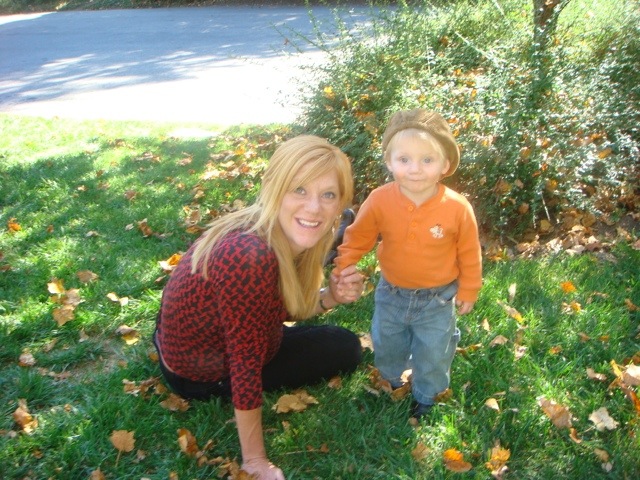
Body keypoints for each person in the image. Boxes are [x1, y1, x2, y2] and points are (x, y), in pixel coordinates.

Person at [153, 135, 365, 480]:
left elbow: (272, 308)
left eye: (328, 195)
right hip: (199, 373)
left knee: (337, 341)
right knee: (344, 347)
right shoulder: (249, 255)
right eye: (299, 190)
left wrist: (331, 297)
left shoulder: (268, 227)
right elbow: (245, 362)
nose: (314, 208)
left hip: (187, 342)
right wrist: (255, 461)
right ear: (274, 188)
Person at [333, 109, 482, 420]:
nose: (415, 169)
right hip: (392, 293)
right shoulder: (380, 200)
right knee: (387, 342)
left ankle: (428, 395)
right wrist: (345, 264)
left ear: (445, 165)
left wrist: (469, 288)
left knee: (434, 350)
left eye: (427, 160)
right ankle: (391, 381)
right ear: (389, 162)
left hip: (437, 298)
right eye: (404, 159)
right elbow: (358, 236)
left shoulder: (457, 208)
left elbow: (469, 252)